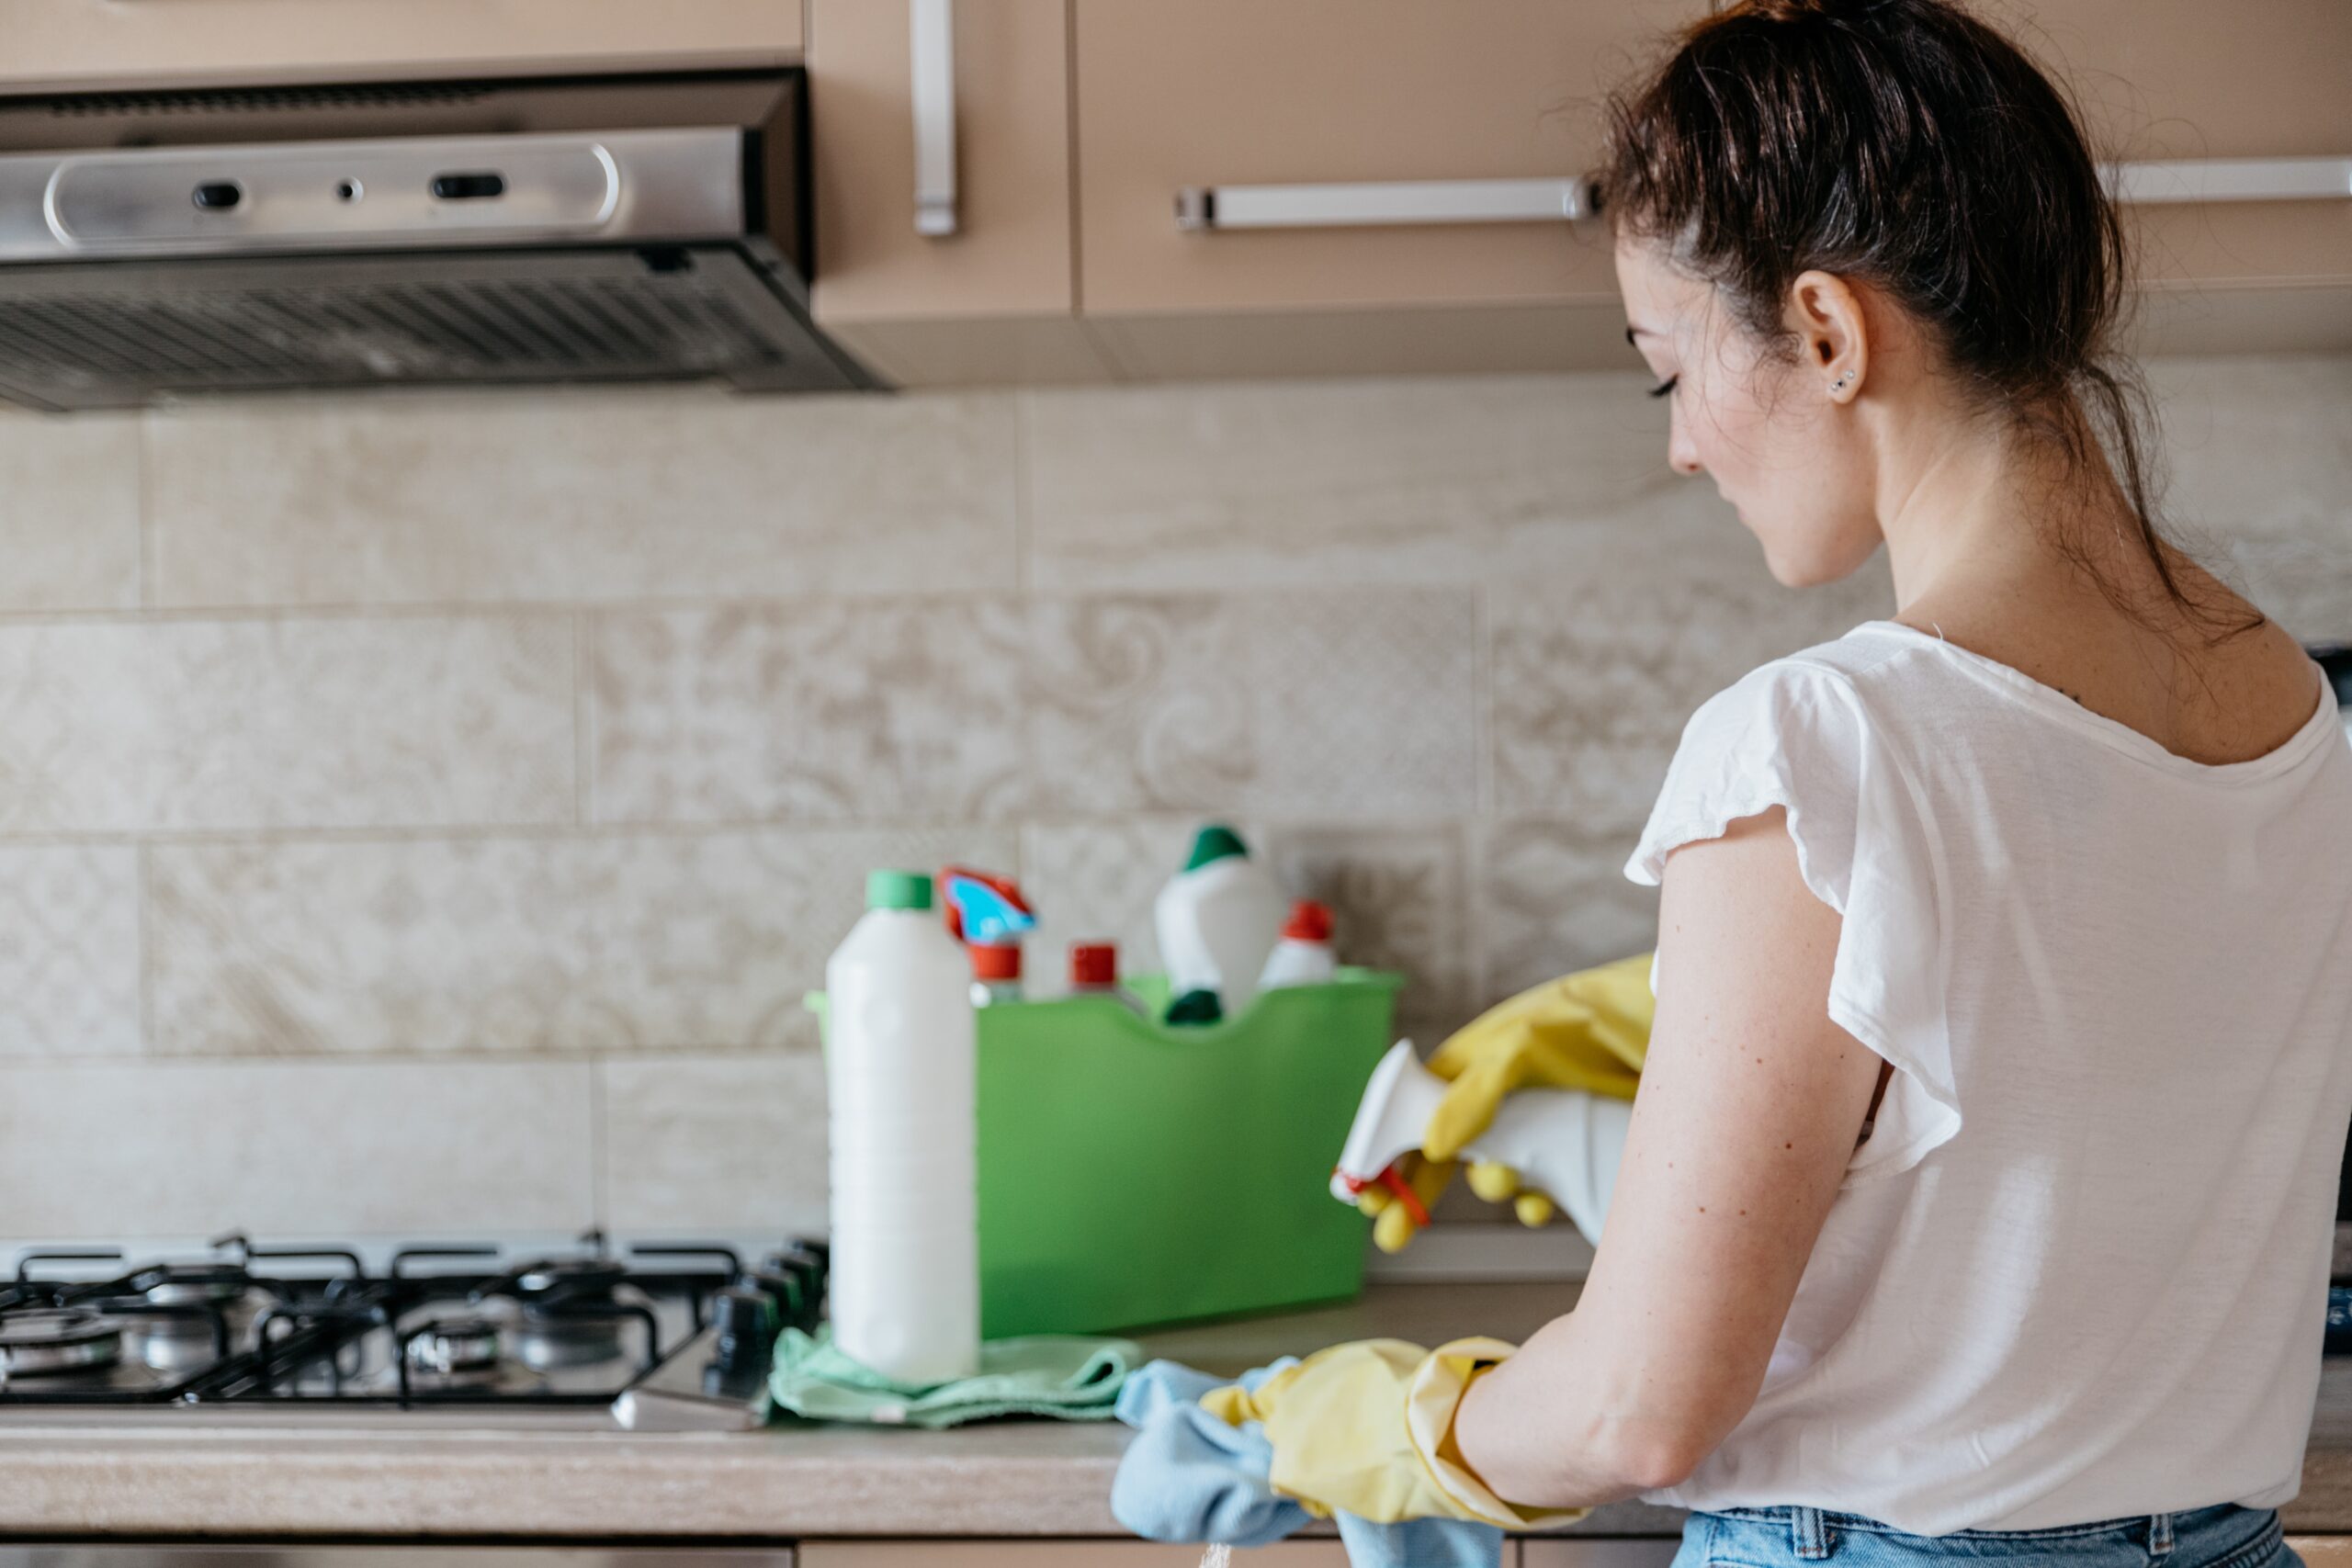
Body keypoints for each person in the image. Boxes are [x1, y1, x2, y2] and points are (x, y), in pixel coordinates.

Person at [1442, 3, 2352, 1566]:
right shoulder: (2299, 720)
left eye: (1670, 374)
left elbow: (1641, 1411)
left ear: (1826, 331)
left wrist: (1421, 1426)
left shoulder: (1817, 743)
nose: (1680, 450)